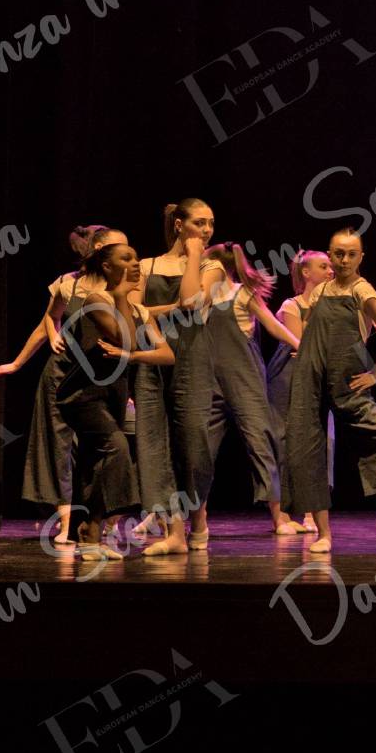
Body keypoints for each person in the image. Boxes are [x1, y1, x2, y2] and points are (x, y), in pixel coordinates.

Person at [0, 224, 126, 549]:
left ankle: (104, 518)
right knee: (59, 448)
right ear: (101, 252)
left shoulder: (123, 288)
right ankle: (66, 523)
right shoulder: (69, 283)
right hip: (62, 375)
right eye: (120, 249)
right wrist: (18, 363)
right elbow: (48, 319)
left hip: (103, 379)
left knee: (106, 445)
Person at [284, 229, 376, 555]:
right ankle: (323, 534)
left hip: (347, 383)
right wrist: (308, 353)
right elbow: (312, 331)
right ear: (330, 255)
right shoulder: (320, 291)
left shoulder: (361, 290)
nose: (344, 260)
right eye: (338, 254)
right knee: (308, 452)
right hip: (311, 381)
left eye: (351, 254)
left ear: (360, 257)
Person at [54, 241, 172, 555]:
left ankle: (90, 536)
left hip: (114, 393)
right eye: (126, 258)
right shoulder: (97, 300)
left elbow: (166, 354)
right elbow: (126, 339)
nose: (135, 263)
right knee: (116, 447)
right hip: (82, 394)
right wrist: (120, 296)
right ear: (107, 267)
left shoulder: (140, 311)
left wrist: (132, 358)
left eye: (136, 258)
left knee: (95, 463)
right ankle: (101, 525)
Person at [134, 199, 225, 556]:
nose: (207, 230)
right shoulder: (147, 265)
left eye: (211, 223)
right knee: (156, 442)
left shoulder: (212, 266)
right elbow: (133, 312)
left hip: (193, 359)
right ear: (178, 224)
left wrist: (194, 254)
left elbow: (191, 301)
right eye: (199, 223)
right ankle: (174, 531)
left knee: (193, 442)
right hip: (153, 359)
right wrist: (164, 310)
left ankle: (199, 517)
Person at [205, 243, 301, 534]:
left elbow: (272, 325)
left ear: (217, 267)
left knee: (261, 443)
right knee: (201, 448)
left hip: (245, 379)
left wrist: (300, 345)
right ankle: (197, 518)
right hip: (211, 381)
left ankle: (279, 517)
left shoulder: (242, 293)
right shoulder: (201, 299)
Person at [266, 249, 331, 535]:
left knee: (318, 442)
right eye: (323, 266)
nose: (331, 271)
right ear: (306, 272)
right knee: (282, 441)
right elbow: (301, 345)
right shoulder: (292, 305)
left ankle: (311, 510)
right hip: (288, 378)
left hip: (318, 377)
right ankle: (282, 514)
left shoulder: (333, 304)